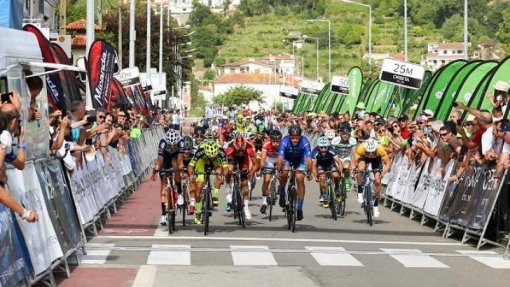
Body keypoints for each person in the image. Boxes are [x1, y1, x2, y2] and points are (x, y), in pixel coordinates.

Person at [276, 124, 313, 221]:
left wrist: (309, 171)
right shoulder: (284, 141)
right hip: (287, 159)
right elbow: (280, 157)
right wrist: (279, 170)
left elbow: (309, 159)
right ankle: (282, 192)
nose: (295, 140)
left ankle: (300, 208)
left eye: (297, 138)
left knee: (300, 178)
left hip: (300, 160)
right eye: (292, 138)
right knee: (284, 173)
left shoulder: (305, 141)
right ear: (289, 136)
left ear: (300, 137)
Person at [187, 139, 228, 224]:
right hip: (202, 162)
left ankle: (215, 195)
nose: (211, 158)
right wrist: (191, 175)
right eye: (210, 156)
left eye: (213, 156)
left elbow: (226, 168)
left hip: (217, 161)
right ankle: (198, 212)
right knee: (198, 188)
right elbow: (190, 166)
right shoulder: (200, 151)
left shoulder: (220, 151)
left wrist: (223, 175)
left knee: (219, 173)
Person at [352, 138, 391, 218]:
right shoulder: (361, 148)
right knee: (361, 169)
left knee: (377, 180)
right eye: (368, 152)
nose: (370, 154)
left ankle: (376, 204)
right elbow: (353, 161)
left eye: (372, 152)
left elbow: (388, 163)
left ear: (375, 149)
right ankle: (360, 191)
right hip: (364, 157)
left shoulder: (380, 149)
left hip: (376, 159)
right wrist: (354, 170)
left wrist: (383, 173)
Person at [224, 134, 259, 219]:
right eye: (238, 151)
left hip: (244, 160)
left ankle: (246, 208)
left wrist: (252, 172)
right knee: (229, 170)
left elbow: (256, 164)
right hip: (232, 158)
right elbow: (223, 161)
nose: (240, 153)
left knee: (245, 184)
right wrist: (225, 172)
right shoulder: (231, 147)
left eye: (241, 151)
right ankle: (228, 189)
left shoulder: (248, 148)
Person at [151, 129, 182, 226]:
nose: (172, 147)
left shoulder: (180, 142)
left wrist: (181, 170)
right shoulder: (163, 142)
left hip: (175, 158)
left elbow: (180, 159)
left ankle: (180, 192)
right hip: (165, 158)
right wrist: (155, 171)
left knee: (176, 166)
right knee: (163, 182)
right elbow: (160, 160)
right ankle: (163, 215)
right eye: (170, 145)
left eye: (174, 145)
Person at [311, 136, 343, 208]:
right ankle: (324, 194)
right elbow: (313, 166)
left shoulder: (332, 150)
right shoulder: (315, 151)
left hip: (330, 163)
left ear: (328, 146)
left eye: (325, 147)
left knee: (335, 175)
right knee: (322, 177)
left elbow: (339, 162)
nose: (323, 149)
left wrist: (340, 172)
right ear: (318, 147)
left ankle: (337, 189)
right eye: (321, 147)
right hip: (320, 165)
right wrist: (316, 176)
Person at [259, 129, 282, 214]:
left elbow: (285, 158)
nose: (276, 144)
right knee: (267, 180)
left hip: (279, 159)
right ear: (271, 140)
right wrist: (262, 166)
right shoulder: (266, 144)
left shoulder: (283, 145)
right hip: (269, 160)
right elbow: (263, 157)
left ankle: (281, 189)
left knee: (283, 175)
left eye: (278, 142)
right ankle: (264, 202)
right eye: (274, 142)